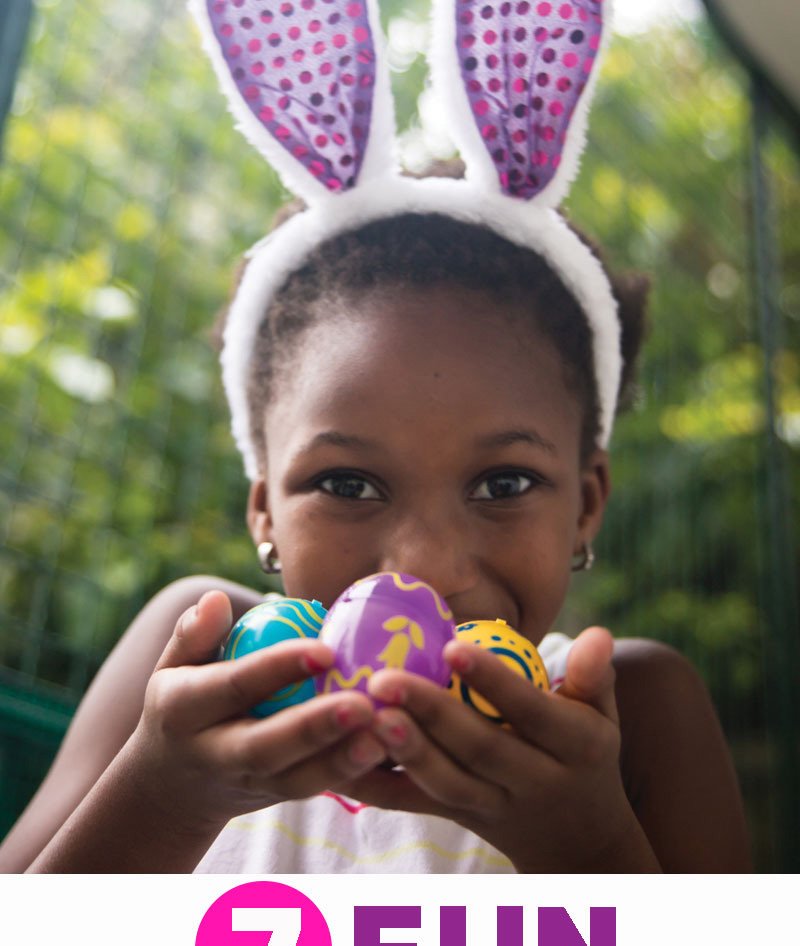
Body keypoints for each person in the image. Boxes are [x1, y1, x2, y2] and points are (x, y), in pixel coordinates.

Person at [0, 0, 750, 874]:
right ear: (265, 509)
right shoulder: (193, 659)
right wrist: (162, 798)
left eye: (502, 485)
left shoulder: (640, 713)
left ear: (584, 506)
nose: (425, 568)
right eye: (349, 484)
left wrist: (584, 845)